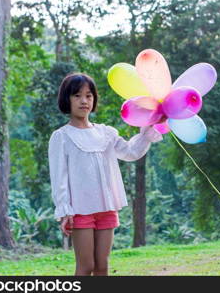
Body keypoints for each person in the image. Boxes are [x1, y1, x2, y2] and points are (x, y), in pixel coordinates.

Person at [48, 73, 162, 276]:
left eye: (89, 95)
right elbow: (59, 178)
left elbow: (130, 152)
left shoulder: (106, 132)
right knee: (86, 267)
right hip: (80, 211)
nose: (84, 101)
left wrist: (149, 128)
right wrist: (64, 211)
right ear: (67, 99)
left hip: (107, 208)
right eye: (77, 96)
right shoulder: (61, 137)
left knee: (102, 266)